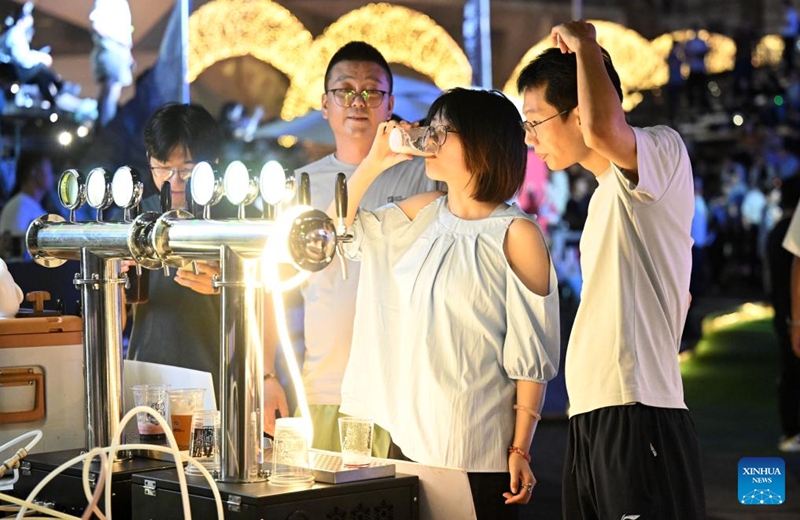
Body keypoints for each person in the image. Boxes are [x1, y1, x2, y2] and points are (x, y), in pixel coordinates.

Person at [337, 88, 560, 518]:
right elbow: (338, 235)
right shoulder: (422, 213)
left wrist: (521, 449)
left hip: (476, 451)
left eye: (444, 130)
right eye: (431, 128)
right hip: (408, 440)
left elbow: (531, 354)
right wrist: (372, 164)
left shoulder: (516, 234)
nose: (431, 140)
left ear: (483, 143)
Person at [516, 21, 705, 519]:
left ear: (578, 112)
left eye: (535, 121)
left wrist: (584, 44)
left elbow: (604, 129)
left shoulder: (662, 150)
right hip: (595, 414)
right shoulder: (604, 196)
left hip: (639, 412)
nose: (529, 138)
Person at [262, 42, 436, 455]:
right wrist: (266, 375)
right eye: (345, 90)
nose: (358, 102)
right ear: (325, 104)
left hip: (407, 387)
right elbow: (269, 287)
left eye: (371, 91)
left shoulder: (425, 176)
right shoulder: (297, 185)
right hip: (326, 385)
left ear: (390, 103)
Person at [125, 103, 226, 393]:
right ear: (150, 160)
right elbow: (117, 321)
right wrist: (115, 286)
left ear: (214, 162)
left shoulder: (233, 219)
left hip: (217, 375)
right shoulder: (138, 221)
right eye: (164, 168)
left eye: (187, 170)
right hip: (147, 377)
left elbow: (266, 307)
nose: (174, 181)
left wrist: (224, 283)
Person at [769, 175, 800, 451]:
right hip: (791, 311)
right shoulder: (787, 231)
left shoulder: (776, 231)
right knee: (791, 372)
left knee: (789, 371)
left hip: (782, 308)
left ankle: (790, 429)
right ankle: (791, 429)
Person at [0, 1, 62, 106]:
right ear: (21, 21)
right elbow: (23, 59)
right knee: (41, 70)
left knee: (42, 73)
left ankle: (55, 95)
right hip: (10, 72)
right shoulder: (15, 34)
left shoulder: (17, 34)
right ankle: (56, 94)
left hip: (13, 71)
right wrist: (41, 57)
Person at [0, 151, 54, 258]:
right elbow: (15, 256)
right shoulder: (19, 208)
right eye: (49, 171)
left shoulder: (32, 206)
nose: (52, 176)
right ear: (34, 173)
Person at [89, 0, 134, 127]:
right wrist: (118, 40)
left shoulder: (122, 3)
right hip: (110, 50)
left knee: (114, 92)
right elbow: (96, 25)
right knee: (110, 90)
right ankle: (104, 129)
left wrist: (127, 53)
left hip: (120, 53)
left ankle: (106, 128)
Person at [783, 0, 800, 73]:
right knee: (787, 54)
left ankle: (790, 69)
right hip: (788, 36)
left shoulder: (791, 14)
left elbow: (793, 26)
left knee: (789, 54)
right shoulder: (788, 13)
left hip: (790, 36)